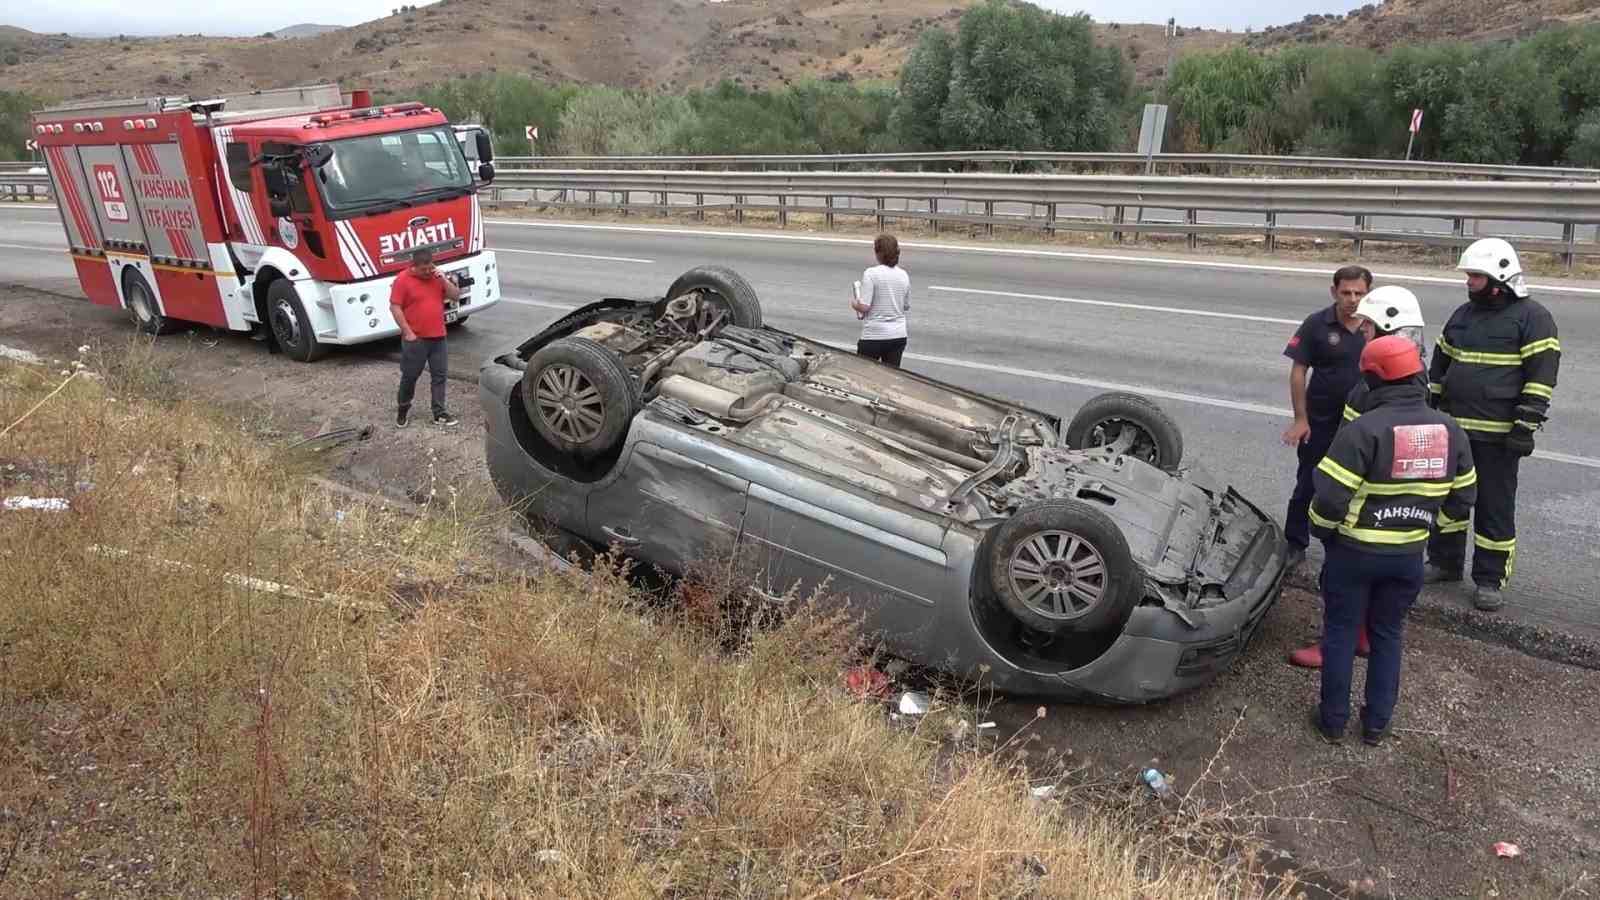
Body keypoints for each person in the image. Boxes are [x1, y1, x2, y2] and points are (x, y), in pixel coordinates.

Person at [1308, 335, 1477, 746]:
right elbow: (1464, 496)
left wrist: (1324, 533)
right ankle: (1377, 725)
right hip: (1407, 556)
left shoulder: (1364, 429)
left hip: (1354, 553)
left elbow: (1328, 498)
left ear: (1372, 381)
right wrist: (1424, 526)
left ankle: (1332, 722)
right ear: (1418, 375)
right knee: (1388, 634)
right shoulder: (1450, 429)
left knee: (1341, 632)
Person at [1286, 284, 1428, 669]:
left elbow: (1356, 451)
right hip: (1398, 501)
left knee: (1342, 576)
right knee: (1380, 586)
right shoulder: (1415, 372)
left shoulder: (1373, 387)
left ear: (1386, 327)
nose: (1361, 330)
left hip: (1362, 498)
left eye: (1368, 325)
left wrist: (1329, 505)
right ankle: (1365, 636)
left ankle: (1337, 644)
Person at [1424, 238, 1561, 611]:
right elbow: (1441, 364)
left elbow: (1541, 376)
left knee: (1494, 507)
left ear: (1498, 277)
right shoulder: (1463, 315)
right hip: (1454, 431)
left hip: (1499, 437)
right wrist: (1429, 407)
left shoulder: (1533, 318)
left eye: (1475, 276)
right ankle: (1444, 562)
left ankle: (1489, 579)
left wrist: (1525, 426)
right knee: (1448, 500)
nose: (1468, 282)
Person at [1281, 265, 1372, 569]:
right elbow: (1298, 371)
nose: (1353, 299)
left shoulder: (1377, 325)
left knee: (1356, 487)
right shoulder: (1316, 324)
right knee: (1309, 482)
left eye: (1359, 292)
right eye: (1346, 292)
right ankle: (1295, 543)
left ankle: (1345, 546)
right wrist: (1300, 419)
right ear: (1334, 292)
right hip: (1320, 421)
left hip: (1361, 426)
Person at [389, 247, 460, 428]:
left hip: (438, 337)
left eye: (430, 268)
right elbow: (395, 307)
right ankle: (403, 409)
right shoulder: (402, 280)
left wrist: (443, 279)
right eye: (423, 270)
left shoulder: (437, 278)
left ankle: (439, 413)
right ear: (414, 266)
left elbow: (455, 296)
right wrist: (408, 332)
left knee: (440, 376)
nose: (427, 272)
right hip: (416, 339)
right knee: (410, 376)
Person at [850, 233, 911, 368]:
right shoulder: (904, 275)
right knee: (890, 377)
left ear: (878, 253)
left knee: (863, 375)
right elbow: (906, 306)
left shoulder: (871, 273)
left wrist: (854, 304)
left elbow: (864, 306)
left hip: (874, 335)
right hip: (898, 335)